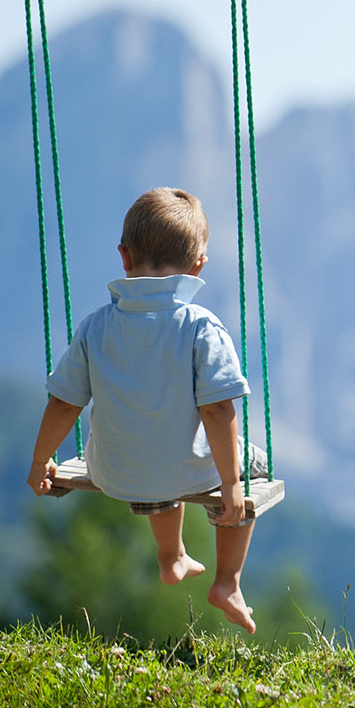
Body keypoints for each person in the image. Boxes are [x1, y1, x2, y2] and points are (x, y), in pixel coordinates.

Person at [26, 187, 261, 634]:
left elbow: (63, 401)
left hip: (116, 472)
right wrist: (230, 484)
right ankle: (227, 581)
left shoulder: (96, 326)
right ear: (198, 266)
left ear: (123, 256)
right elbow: (217, 409)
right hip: (187, 468)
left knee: (148, 441)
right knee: (251, 463)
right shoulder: (200, 327)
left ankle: (170, 553)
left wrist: (41, 462)